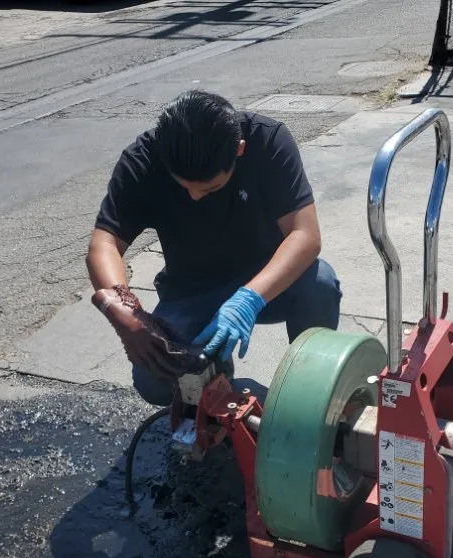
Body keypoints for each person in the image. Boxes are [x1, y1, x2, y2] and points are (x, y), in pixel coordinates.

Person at [86, 90, 342, 405]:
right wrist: (125, 310)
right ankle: (217, 388)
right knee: (154, 379)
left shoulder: (268, 141)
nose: (195, 196)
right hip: (191, 290)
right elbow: (103, 243)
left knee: (320, 284)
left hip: (267, 281)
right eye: (184, 186)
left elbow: (305, 235)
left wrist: (248, 299)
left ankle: (310, 392)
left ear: (239, 150)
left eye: (210, 187)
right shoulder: (143, 160)